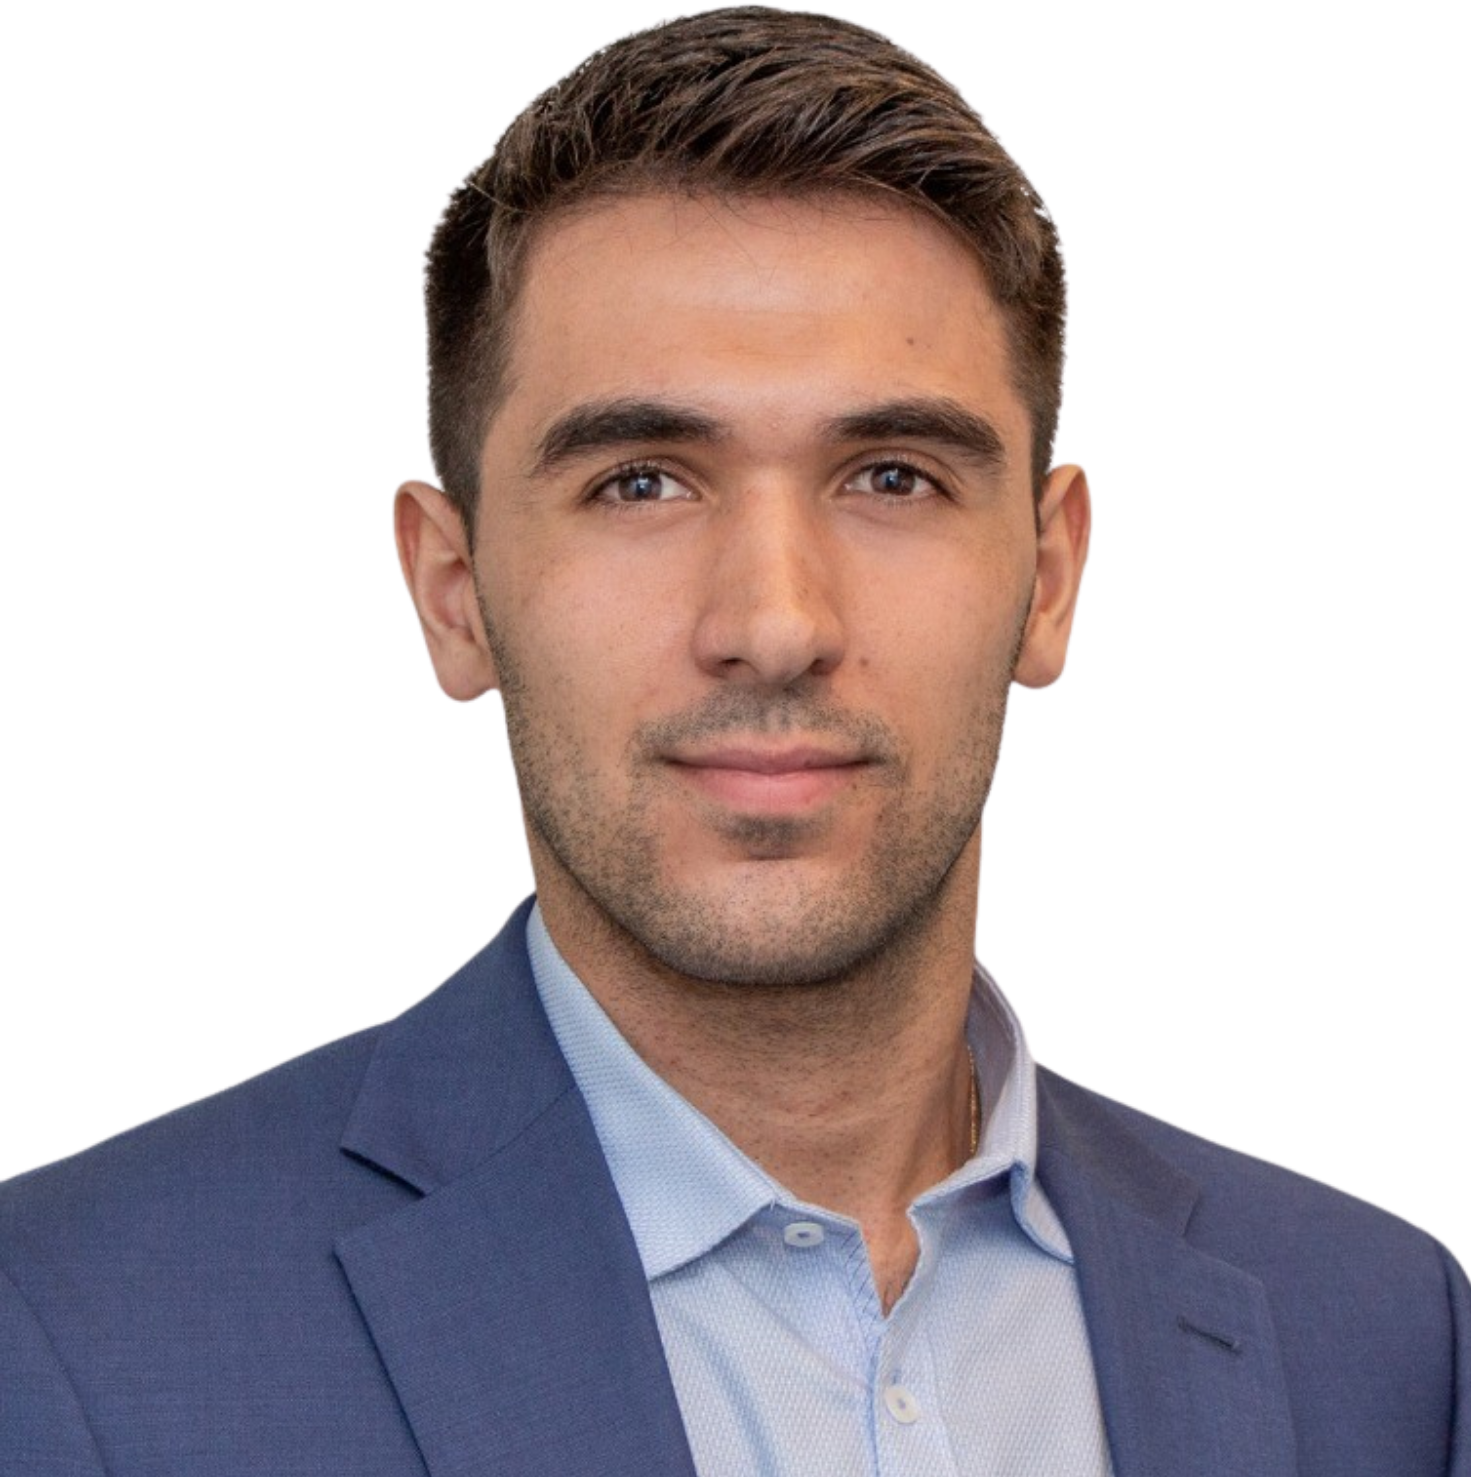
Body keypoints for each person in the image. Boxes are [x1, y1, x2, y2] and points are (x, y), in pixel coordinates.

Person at [1, 8, 1466, 1474]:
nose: (774, 621)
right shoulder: (69, 1333)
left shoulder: (1380, 1339)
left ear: (1050, 574)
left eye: (891, 475)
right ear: (455, 595)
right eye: (643, 482)